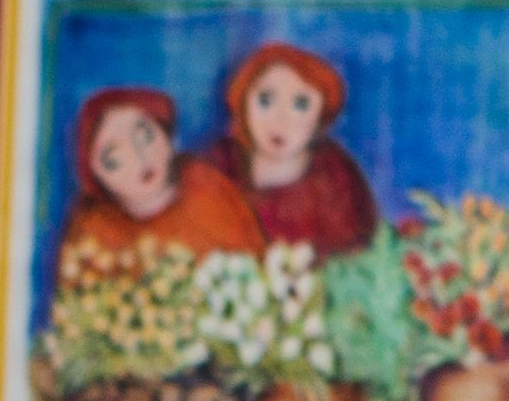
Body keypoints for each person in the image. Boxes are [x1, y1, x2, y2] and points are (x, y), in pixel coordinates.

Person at [51, 81, 263, 267]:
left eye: (146, 137)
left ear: (167, 135)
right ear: (97, 177)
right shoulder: (94, 232)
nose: (139, 158)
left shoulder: (207, 188)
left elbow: (252, 266)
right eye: (114, 160)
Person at [202, 41, 377, 254]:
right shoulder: (219, 167)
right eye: (265, 100)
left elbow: (354, 255)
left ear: (320, 117)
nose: (280, 120)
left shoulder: (336, 180)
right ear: (244, 103)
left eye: (300, 104)